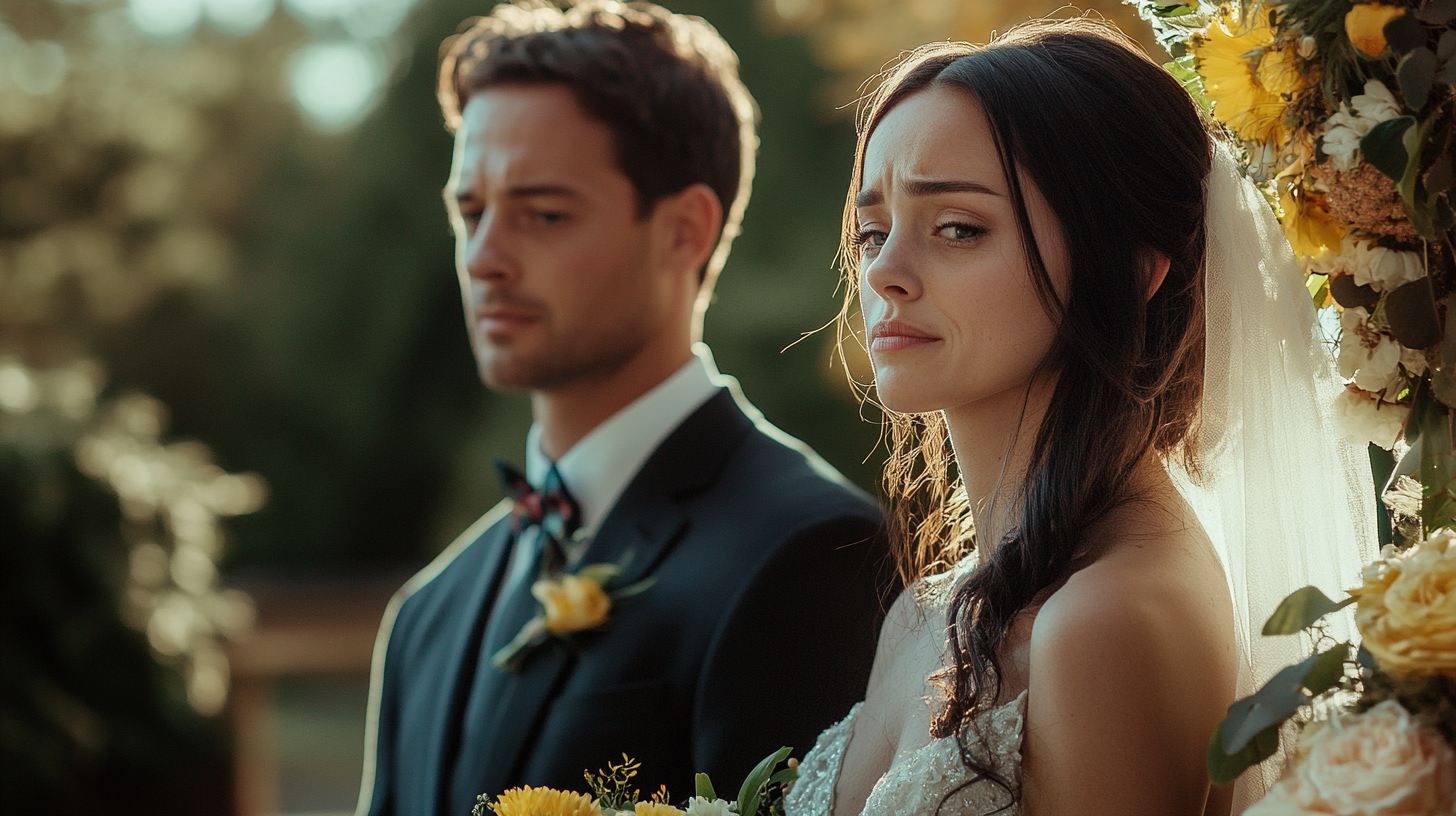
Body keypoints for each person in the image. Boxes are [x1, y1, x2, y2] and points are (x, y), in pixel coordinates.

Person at [785, 18, 1375, 816]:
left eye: (958, 228)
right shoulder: (924, 611)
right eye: (872, 231)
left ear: (1132, 267)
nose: (885, 272)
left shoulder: (1109, 617)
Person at [354, 3, 891, 815]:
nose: (485, 258)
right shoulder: (426, 614)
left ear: (684, 229)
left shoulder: (812, 554)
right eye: (471, 213)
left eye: (543, 214)